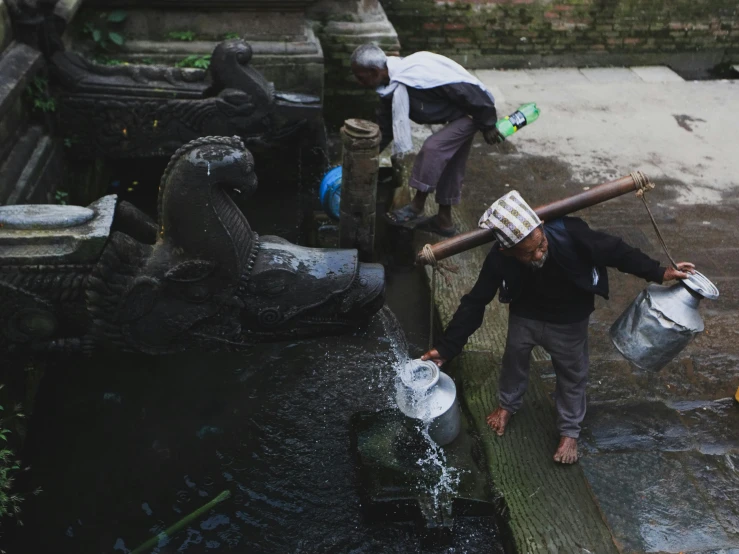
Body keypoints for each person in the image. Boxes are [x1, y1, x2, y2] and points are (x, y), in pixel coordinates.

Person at [420, 191, 695, 463]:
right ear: (507, 250)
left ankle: (569, 431)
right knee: (513, 360)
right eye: (529, 253)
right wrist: (447, 348)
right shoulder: (499, 257)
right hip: (525, 314)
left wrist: (659, 272)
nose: (540, 253)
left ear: (540, 226)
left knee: (572, 374)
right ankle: (507, 405)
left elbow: (616, 251)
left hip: (569, 319)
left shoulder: (571, 233)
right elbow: (475, 302)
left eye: (541, 244)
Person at [350, 43, 504, 237]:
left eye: (361, 77)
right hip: (457, 115)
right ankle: (444, 222)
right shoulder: (390, 87)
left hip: (472, 113)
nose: (359, 82)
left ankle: (416, 206)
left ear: (374, 71)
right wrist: (364, 155)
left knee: (433, 149)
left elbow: (467, 90)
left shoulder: (417, 74)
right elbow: (385, 129)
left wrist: (488, 123)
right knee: (452, 165)